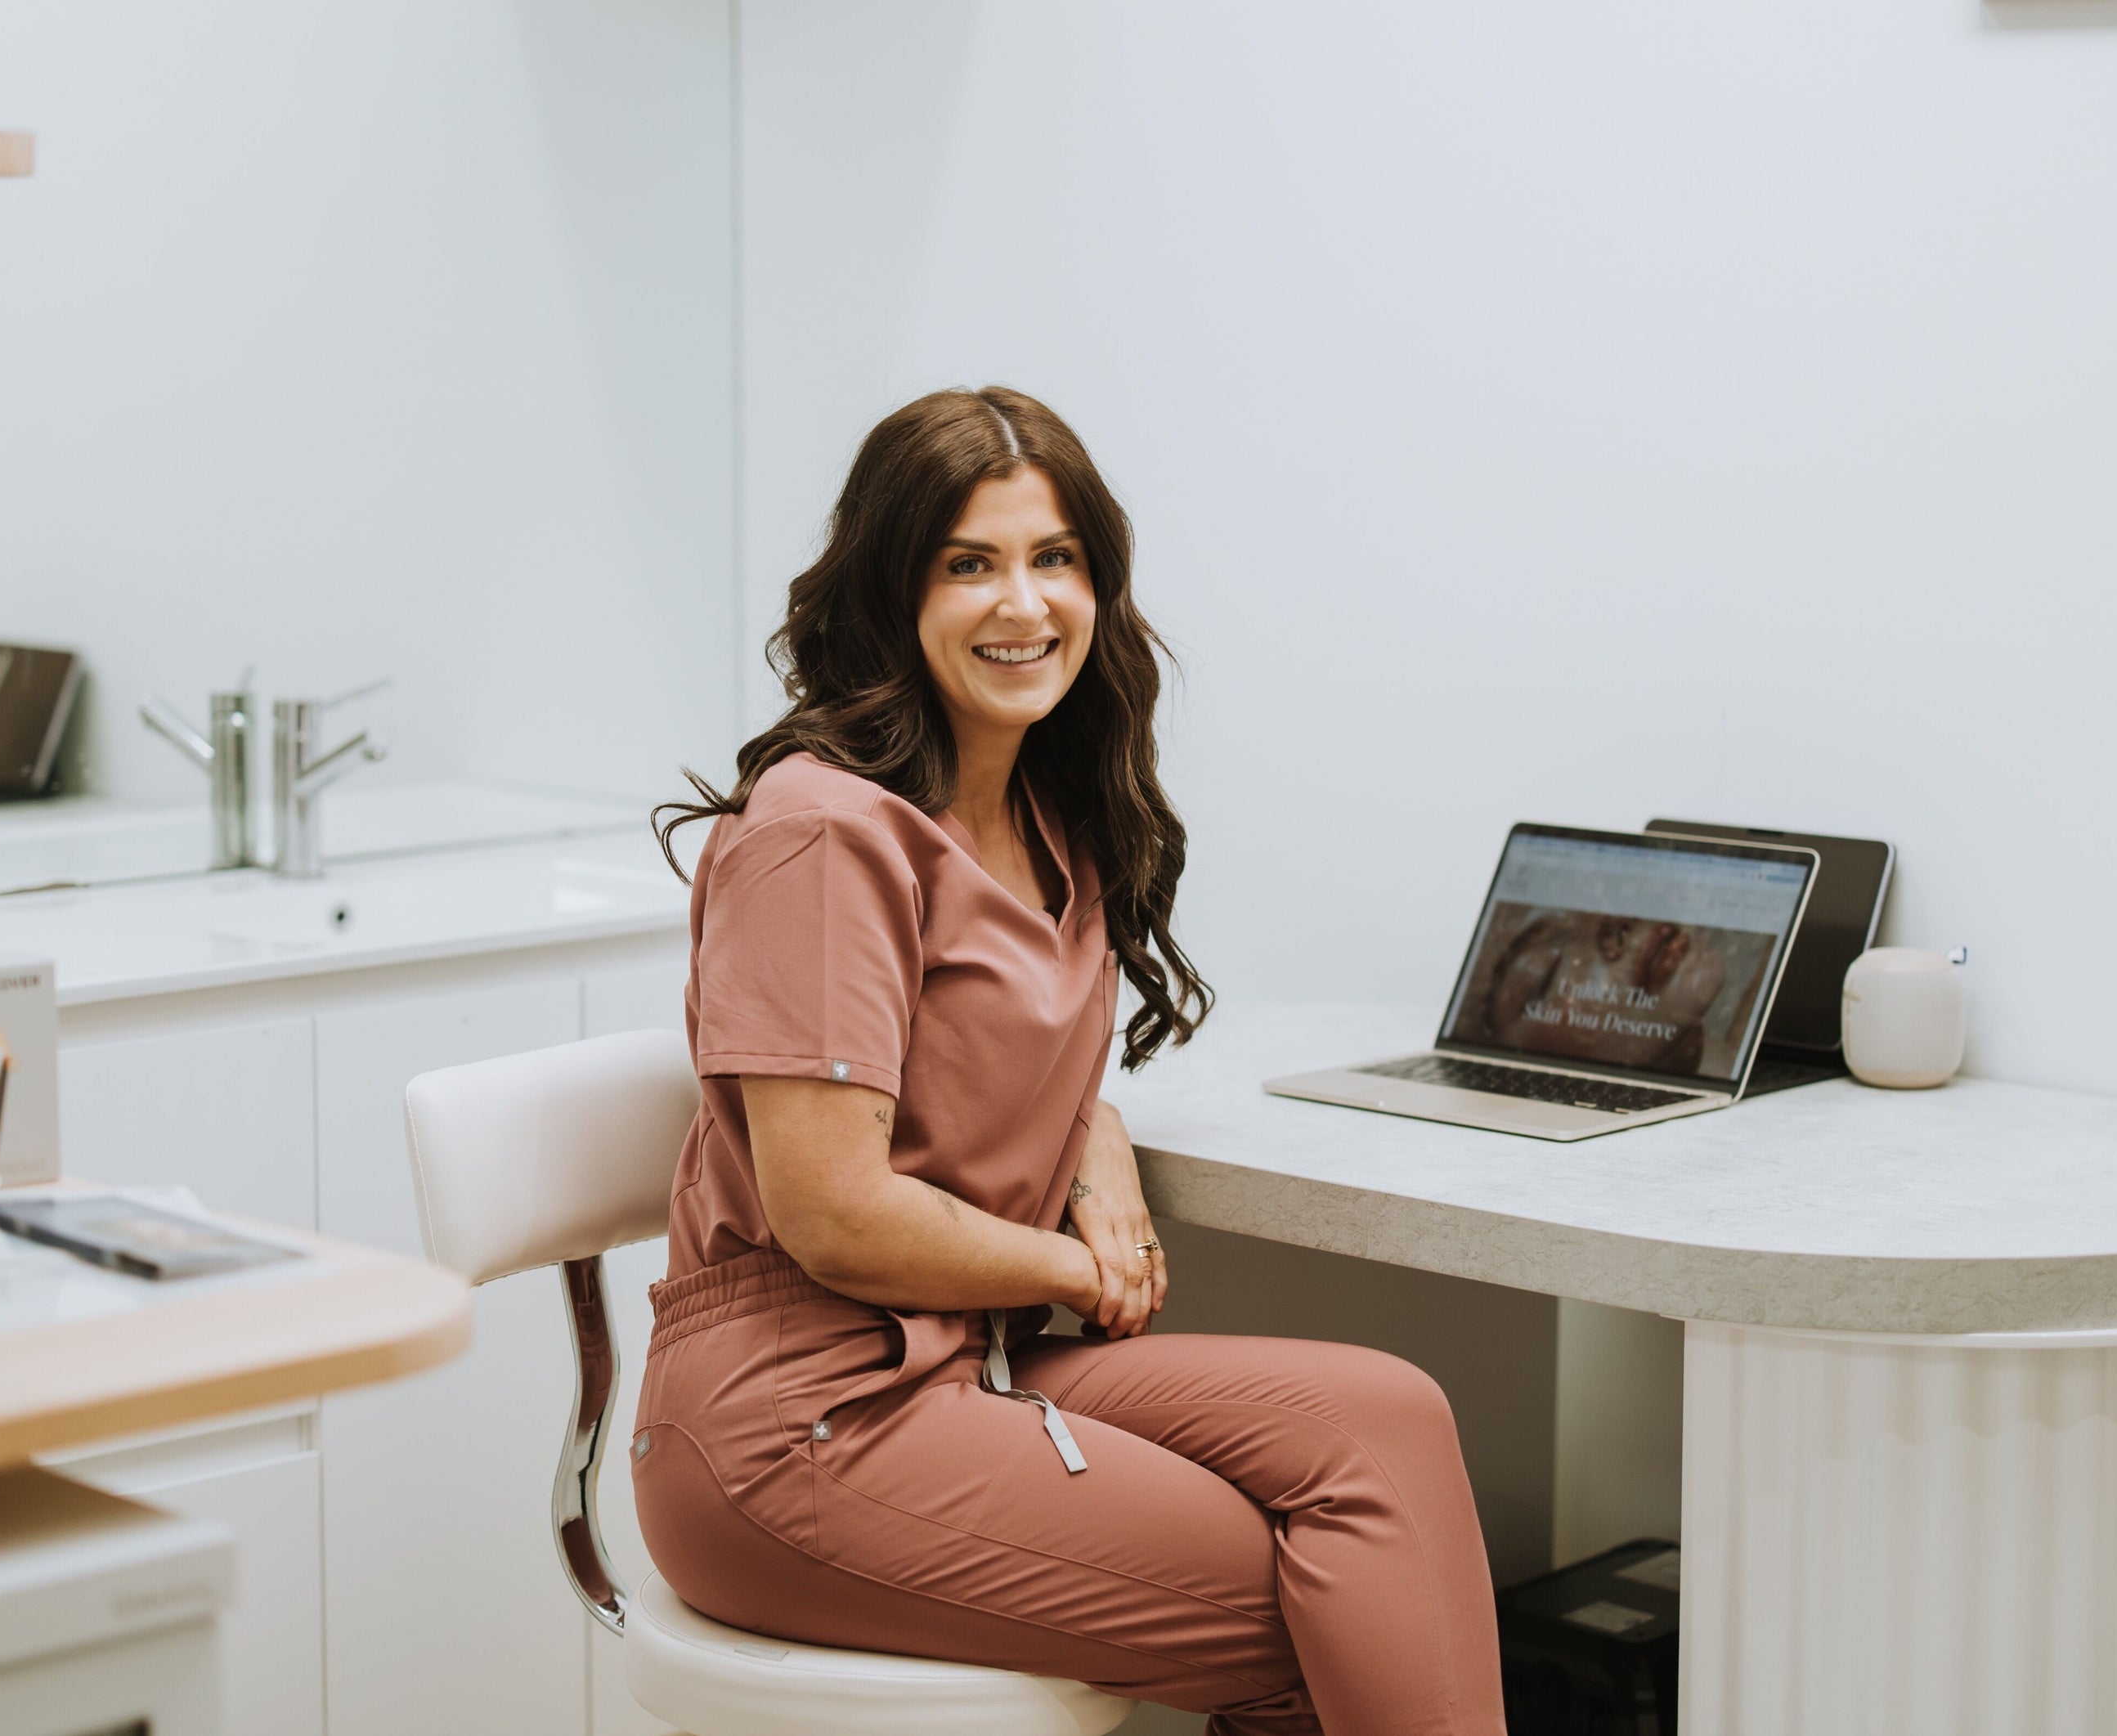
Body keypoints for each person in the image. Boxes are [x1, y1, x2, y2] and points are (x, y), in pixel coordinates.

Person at [634, 387, 1506, 1736]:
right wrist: (1075, 1268)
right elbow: (833, 1213)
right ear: (889, 588)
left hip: (962, 1361)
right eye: (968, 564)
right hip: (797, 1422)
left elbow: (1002, 1051)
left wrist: (1101, 1166)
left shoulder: (1050, 814)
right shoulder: (825, 834)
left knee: (1388, 1420)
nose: (1022, 604)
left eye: (1055, 559)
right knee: (1322, 1595)